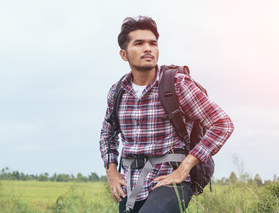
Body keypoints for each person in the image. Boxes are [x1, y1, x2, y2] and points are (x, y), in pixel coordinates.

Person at [100, 16, 234, 213]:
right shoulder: (117, 91)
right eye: (139, 43)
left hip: (171, 181)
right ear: (124, 54)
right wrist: (112, 171)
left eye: (152, 43)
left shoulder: (177, 85)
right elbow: (107, 134)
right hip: (132, 186)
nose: (148, 48)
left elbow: (222, 124)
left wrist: (185, 168)